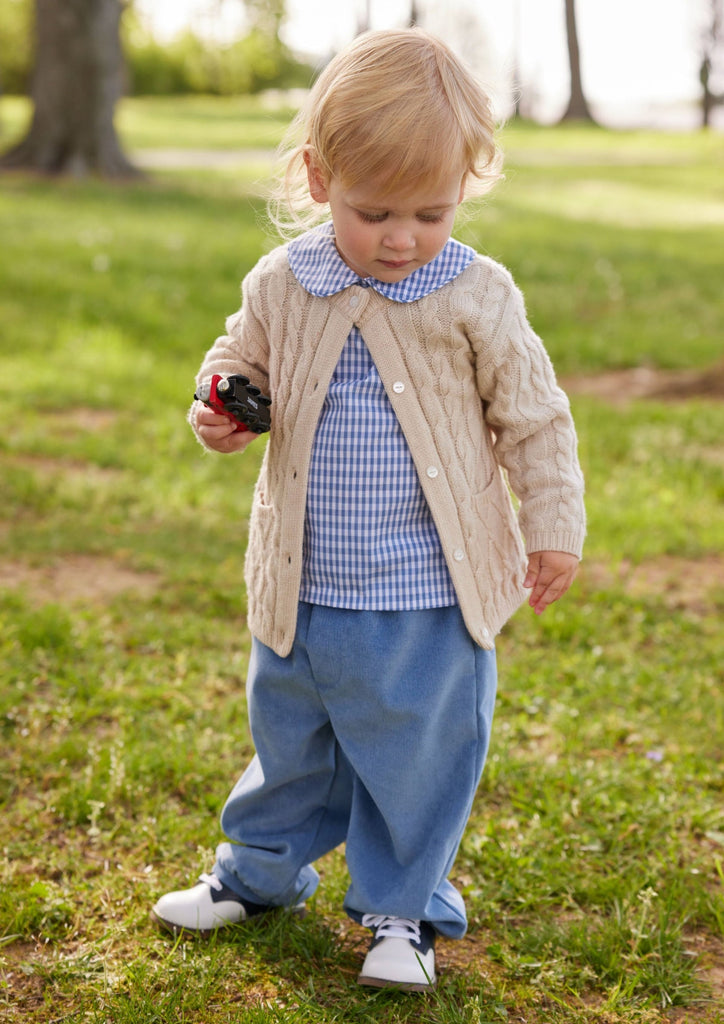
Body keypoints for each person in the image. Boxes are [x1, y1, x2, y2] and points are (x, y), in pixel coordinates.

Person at [151, 28, 586, 991]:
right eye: (374, 209)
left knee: (416, 759)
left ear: (466, 188)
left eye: (431, 212)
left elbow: (535, 417)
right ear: (317, 177)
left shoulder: (475, 294)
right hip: (302, 587)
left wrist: (554, 526)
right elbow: (235, 364)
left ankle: (403, 913)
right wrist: (218, 407)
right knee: (290, 744)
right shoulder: (285, 282)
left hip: (425, 596)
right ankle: (257, 874)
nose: (401, 236)